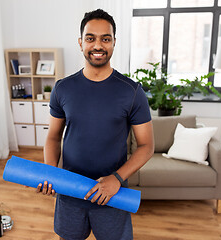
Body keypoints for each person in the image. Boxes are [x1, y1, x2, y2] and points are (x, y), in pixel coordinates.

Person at [37, 9, 154, 240]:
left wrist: (117, 179)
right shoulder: (62, 88)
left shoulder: (132, 92)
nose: (97, 45)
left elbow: (147, 146)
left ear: (114, 43)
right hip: (70, 192)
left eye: (105, 38)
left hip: (112, 193)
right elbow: (53, 137)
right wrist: (51, 171)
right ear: (81, 43)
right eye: (90, 38)